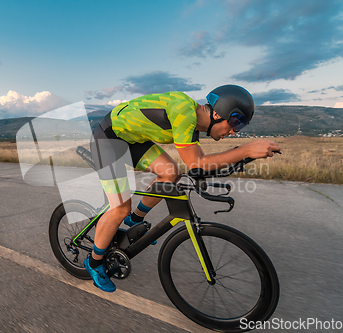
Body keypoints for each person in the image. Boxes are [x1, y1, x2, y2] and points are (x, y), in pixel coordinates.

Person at [86, 84, 281, 292]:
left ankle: (134, 220)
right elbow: (197, 164)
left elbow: (200, 166)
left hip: (132, 140)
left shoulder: (193, 125)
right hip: (108, 139)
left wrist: (244, 156)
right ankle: (94, 263)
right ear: (217, 113)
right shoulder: (183, 111)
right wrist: (245, 150)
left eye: (240, 126)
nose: (234, 131)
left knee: (171, 173)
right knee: (119, 208)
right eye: (236, 122)